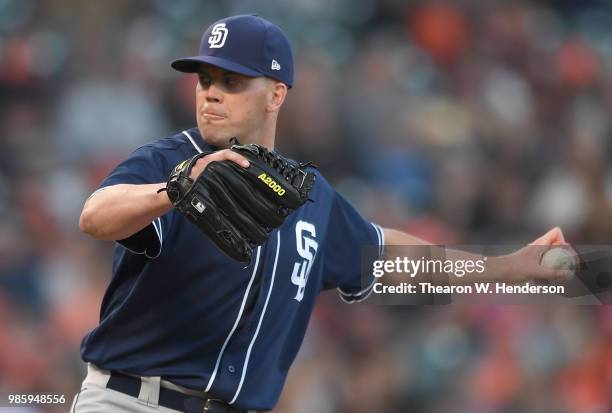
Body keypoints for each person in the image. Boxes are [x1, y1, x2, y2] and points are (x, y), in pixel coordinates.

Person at [74, 14, 570, 413]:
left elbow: (390, 258)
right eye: (205, 79)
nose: (211, 92)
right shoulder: (170, 160)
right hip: (130, 400)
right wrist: (174, 189)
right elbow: (96, 215)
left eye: (231, 80)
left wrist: (506, 269)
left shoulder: (308, 198)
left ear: (276, 93)